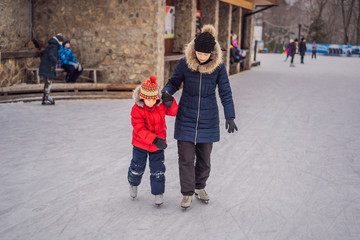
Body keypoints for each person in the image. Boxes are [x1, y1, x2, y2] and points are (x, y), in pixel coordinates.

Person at [161, 24, 237, 209]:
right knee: (185, 159)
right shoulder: (185, 63)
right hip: (186, 116)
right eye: (199, 54)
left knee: (205, 161)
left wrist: (230, 116)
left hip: (208, 119)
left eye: (205, 54)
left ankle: (199, 187)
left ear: (211, 53)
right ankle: (187, 193)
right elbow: (174, 82)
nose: (201, 57)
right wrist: (166, 93)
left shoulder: (218, 67)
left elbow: (225, 92)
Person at [128, 76, 178, 206]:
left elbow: (173, 112)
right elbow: (139, 129)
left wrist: (170, 101)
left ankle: (158, 193)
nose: (150, 102)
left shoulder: (160, 106)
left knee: (158, 169)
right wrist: (154, 139)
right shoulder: (137, 109)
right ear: (142, 97)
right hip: (140, 145)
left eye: (153, 99)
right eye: (148, 99)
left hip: (158, 145)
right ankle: (133, 183)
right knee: (137, 167)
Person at [39, 33, 64, 105]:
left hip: (47, 66)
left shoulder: (53, 46)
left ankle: (45, 97)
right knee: (49, 82)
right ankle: (46, 96)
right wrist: (56, 62)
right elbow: (51, 55)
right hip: (48, 67)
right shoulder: (54, 46)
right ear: (58, 41)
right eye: (61, 42)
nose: (62, 43)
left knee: (48, 82)